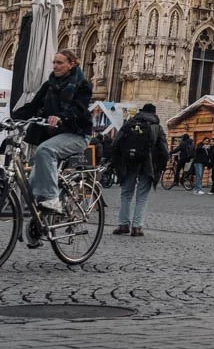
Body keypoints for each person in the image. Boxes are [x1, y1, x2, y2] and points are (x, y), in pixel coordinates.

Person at [10, 49, 93, 218]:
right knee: (32, 187)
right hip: (53, 137)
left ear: (72, 65)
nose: (55, 66)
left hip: (77, 135)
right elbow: (32, 107)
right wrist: (11, 118)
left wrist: (62, 117)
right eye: (54, 62)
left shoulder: (82, 85)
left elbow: (79, 109)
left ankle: (52, 198)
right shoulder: (49, 85)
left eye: (60, 63)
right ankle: (40, 226)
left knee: (45, 150)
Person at [112, 103, 166, 237]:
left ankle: (123, 224)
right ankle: (137, 227)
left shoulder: (130, 123)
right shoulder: (157, 127)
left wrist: (119, 161)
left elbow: (116, 143)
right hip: (148, 165)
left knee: (126, 194)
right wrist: (161, 166)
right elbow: (164, 150)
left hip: (129, 162)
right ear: (154, 113)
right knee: (142, 196)